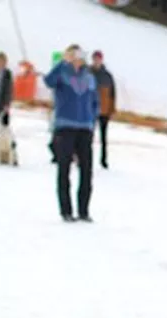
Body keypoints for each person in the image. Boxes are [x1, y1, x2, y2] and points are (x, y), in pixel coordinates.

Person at [44, 44, 99, 222]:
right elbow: (48, 81)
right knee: (64, 168)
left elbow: (94, 101)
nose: (78, 58)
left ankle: (84, 210)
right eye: (74, 55)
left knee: (86, 170)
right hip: (65, 126)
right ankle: (66, 210)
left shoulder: (89, 77)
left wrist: (92, 120)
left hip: (84, 127)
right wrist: (62, 63)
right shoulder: (62, 73)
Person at [89, 50, 116, 169]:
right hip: (90, 109)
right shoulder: (87, 73)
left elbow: (112, 94)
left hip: (104, 110)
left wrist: (112, 109)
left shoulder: (107, 76)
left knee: (104, 137)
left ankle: (104, 159)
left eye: (98, 59)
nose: (96, 61)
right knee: (87, 136)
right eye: (95, 59)